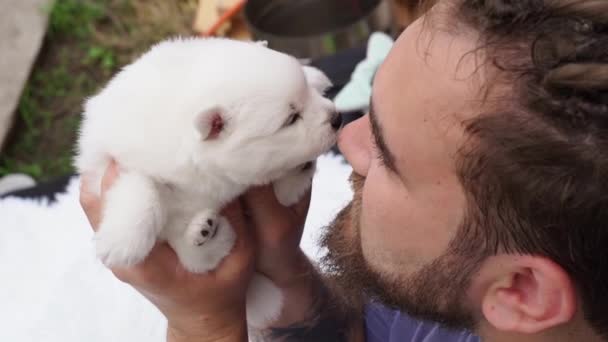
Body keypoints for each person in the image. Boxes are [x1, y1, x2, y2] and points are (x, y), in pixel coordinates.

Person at [79, 0, 608, 341]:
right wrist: (279, 267)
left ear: (521, 291)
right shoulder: (458, 291)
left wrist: (202, 327)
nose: (346, 140)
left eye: (389, 159)